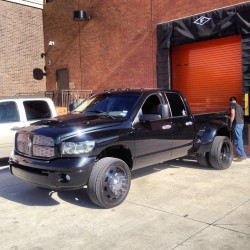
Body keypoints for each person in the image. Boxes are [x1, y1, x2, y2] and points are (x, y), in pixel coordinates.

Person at [229, 97, 247, 161]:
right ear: (235, 100)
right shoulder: (239, 106)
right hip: (241, 124)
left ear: (230, 101)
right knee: (238, 139)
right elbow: (242, 116)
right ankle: (241, 154)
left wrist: (230, 124)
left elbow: (232, 114)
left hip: (236, 124)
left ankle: (242, 155)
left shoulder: (232, 104)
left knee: (238, 139)